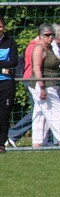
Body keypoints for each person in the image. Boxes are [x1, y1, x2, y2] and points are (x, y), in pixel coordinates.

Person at [28, 23, 60, 147]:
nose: (50, 37)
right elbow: (36, 68)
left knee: (40, 114)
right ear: (41, 36)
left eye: (52, 34)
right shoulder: (39, 48)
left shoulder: (50, 47)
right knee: (59, 111)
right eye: (47, 35)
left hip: (52, 85)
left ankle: (38, 142)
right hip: (44, 85)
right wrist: (42, 87)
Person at [0, 16, 17, 153]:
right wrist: (3, 67)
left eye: (0, 26)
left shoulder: (10, 42)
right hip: (4, 74)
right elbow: (7, 64)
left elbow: (13, 62)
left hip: (6, 83)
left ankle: (1, 144)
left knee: (4, 114)